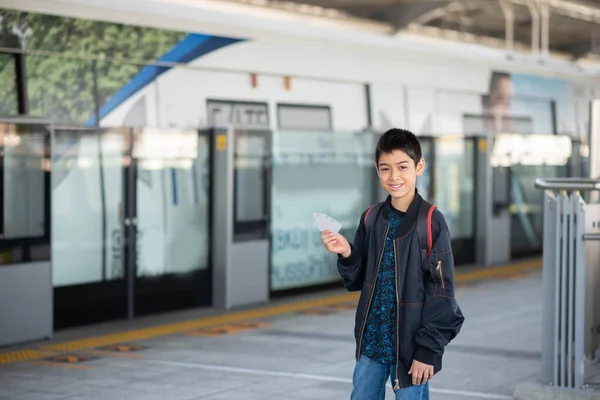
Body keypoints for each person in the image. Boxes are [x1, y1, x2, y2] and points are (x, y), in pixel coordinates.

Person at [321, 128, 465, 400]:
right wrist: (347, 252)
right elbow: (359, 279)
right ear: (377, 170)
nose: (394, 176)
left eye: (402, 167)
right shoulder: (372, 218)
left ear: (419, 166)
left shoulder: (431, 221)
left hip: (411, 348)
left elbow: (442, 292)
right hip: (372, 343)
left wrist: (427, 351)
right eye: (385, 168)